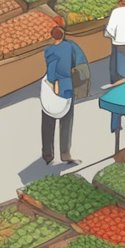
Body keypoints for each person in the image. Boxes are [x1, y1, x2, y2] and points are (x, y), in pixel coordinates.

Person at [41, 27, 86, 165]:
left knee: (48, 120)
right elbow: (72, 62)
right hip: (67, 86)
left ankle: (48, 154)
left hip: (54, 87)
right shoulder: (69, 47)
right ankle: (65, 153)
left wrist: (53, 82)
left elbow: (51, 69)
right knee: (66, 121)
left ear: (52, 36)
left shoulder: (48, 51)